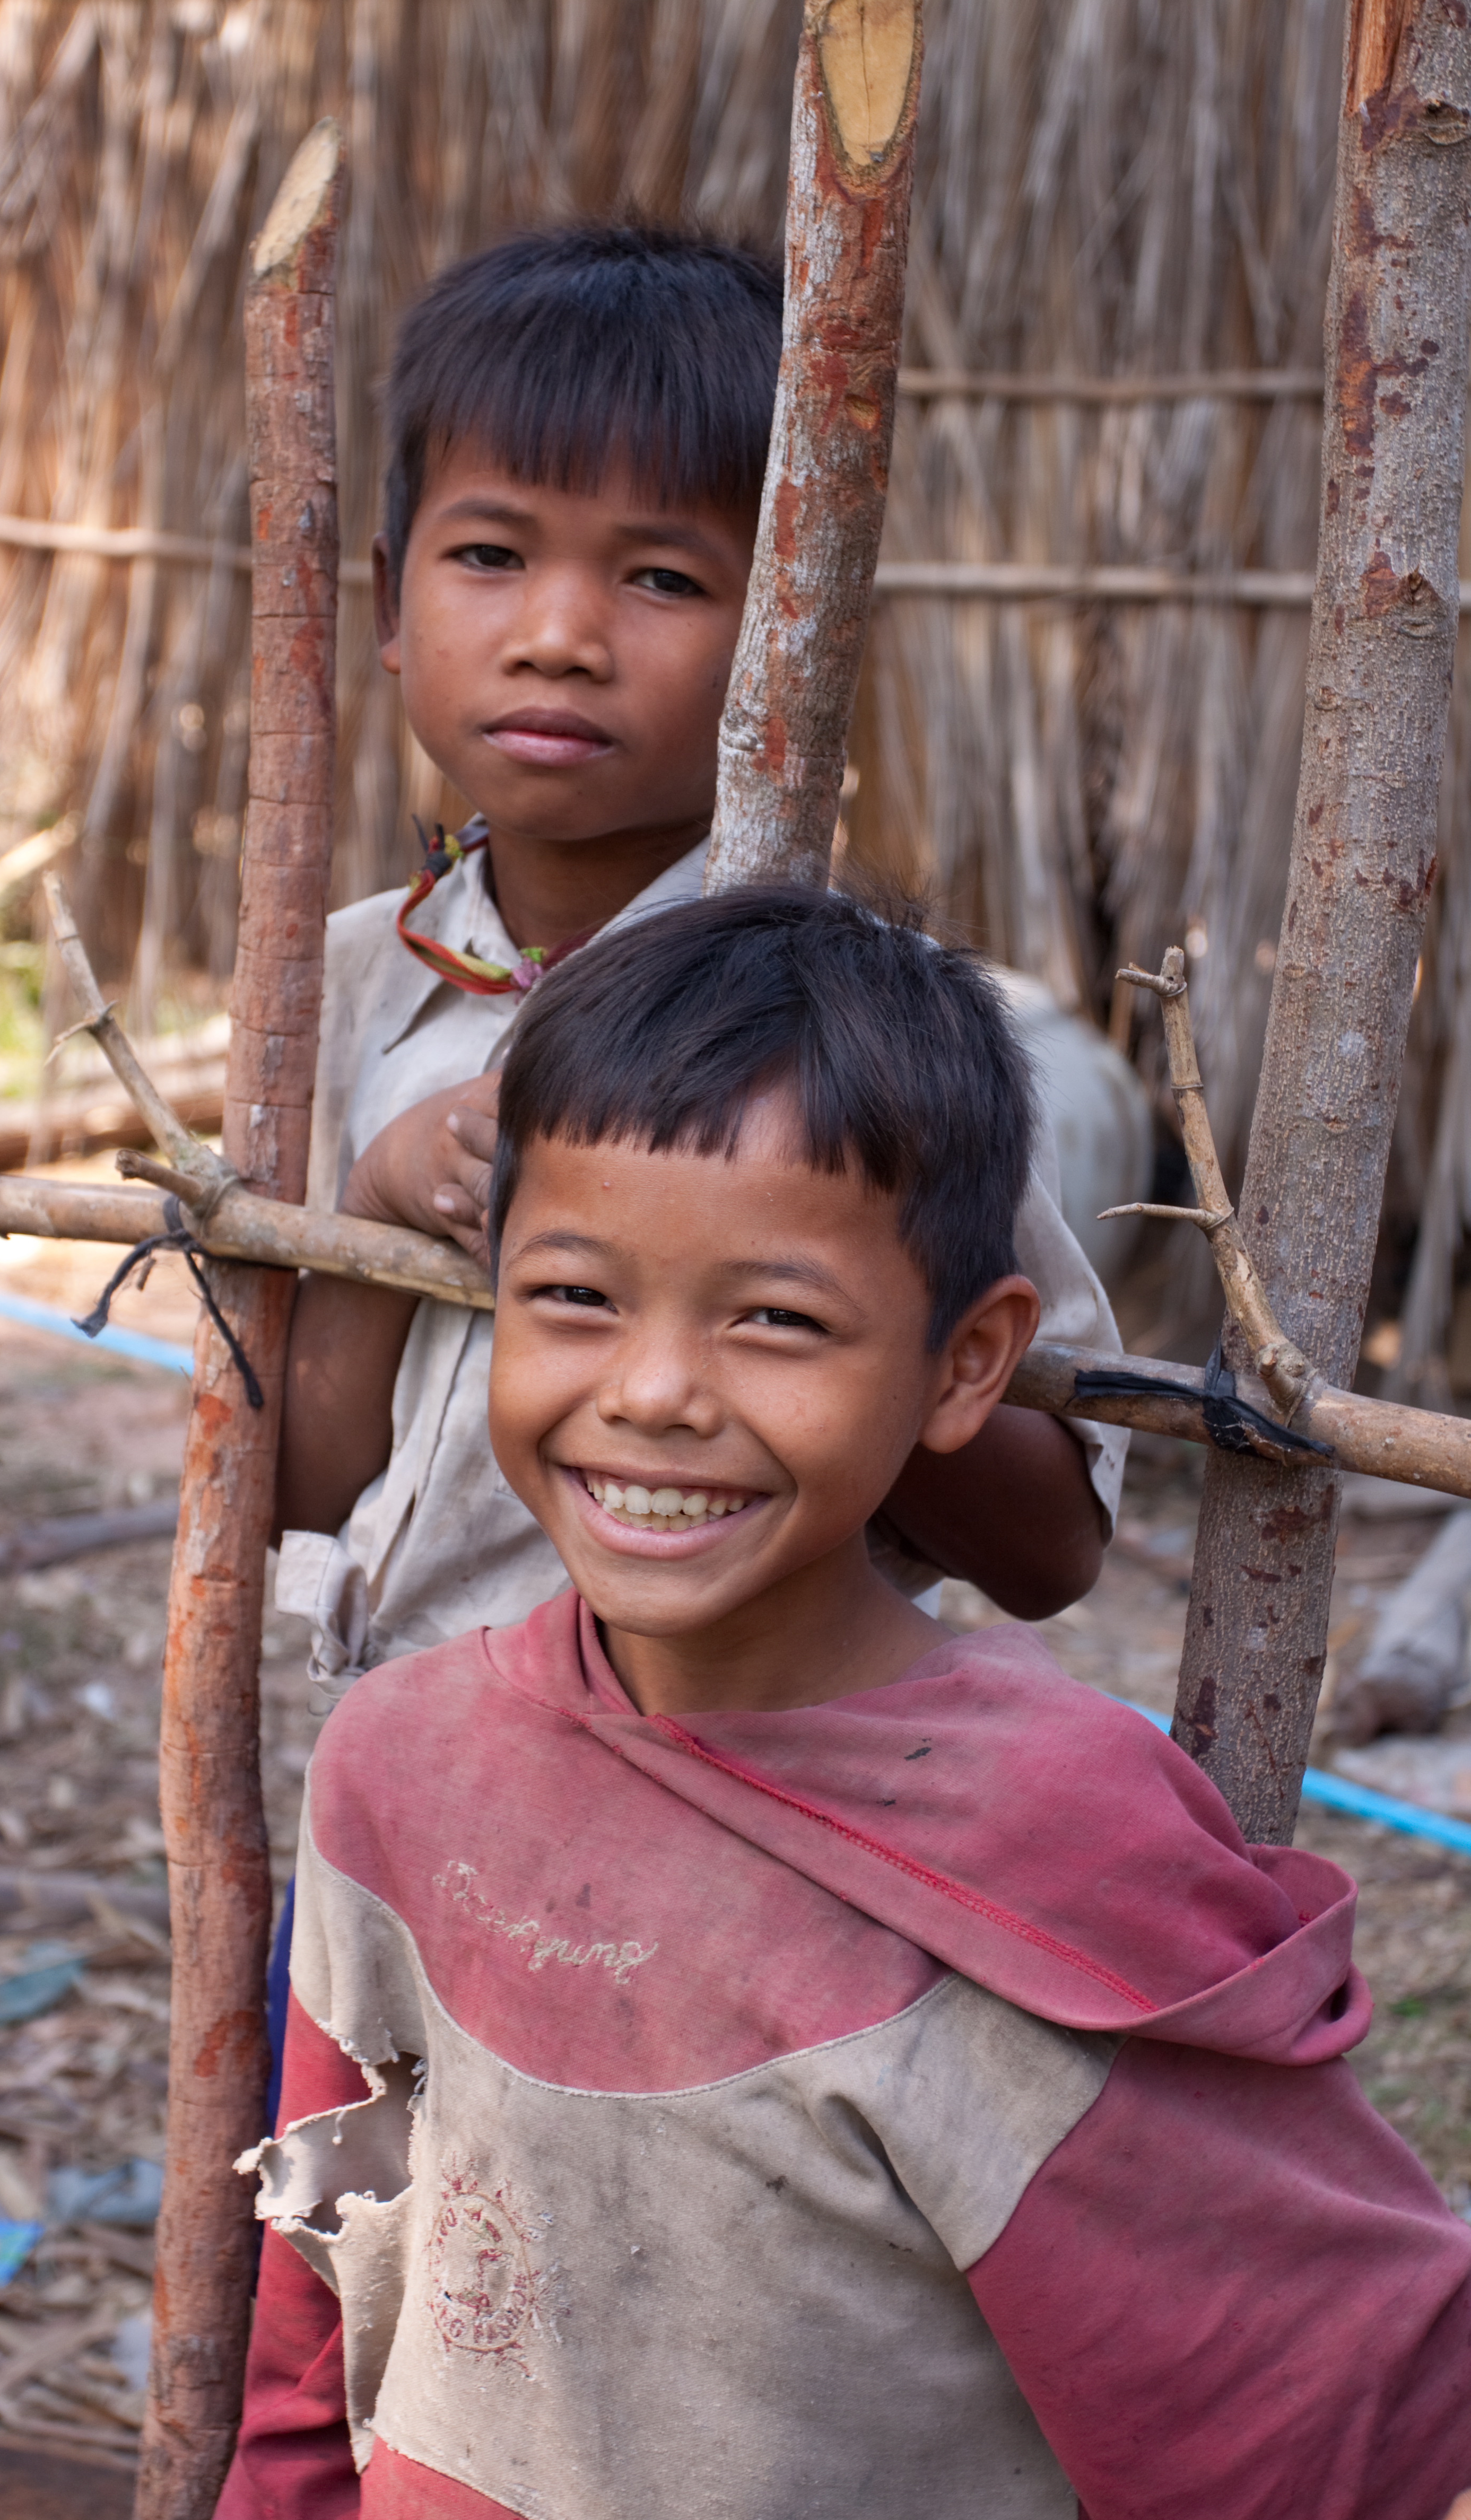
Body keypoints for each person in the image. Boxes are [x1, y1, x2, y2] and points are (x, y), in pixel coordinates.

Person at [221, 888, 1471, 2520]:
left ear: (968, 1365)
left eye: (777, 1321)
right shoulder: (398, 1767)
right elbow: (318, 2338)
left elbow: (1318, 2442)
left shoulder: (1058, 1851)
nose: (653, 1394)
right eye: (577, 1296)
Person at [272, 224, 1126, 1701]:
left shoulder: (866, 1022)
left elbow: (1051, 1549)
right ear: (391, 601)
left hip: (746, 1783)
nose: (558, 636)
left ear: (794, 626)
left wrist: (808, 1283)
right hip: (407, 1769)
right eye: (490, 556)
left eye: (662, 578)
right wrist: (378, 1208)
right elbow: (284, 1486)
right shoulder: (340, 985)